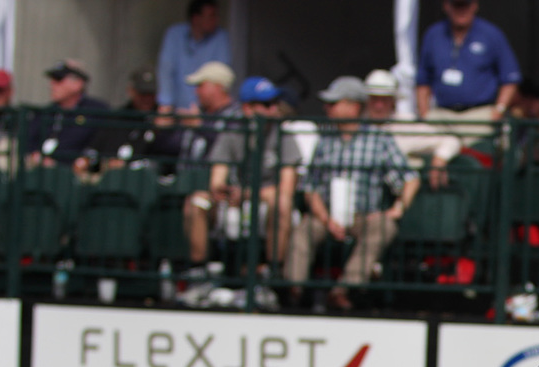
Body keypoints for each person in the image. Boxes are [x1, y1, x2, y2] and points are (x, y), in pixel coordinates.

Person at [285, 76, 420, 311]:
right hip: (326, 217)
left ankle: (343, 291)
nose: (327, 108)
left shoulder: (379, 140)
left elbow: (410, 179)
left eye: (334, 103)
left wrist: (396, 209)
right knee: (304, 229)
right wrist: (326, 219)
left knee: (385, 227)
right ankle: (293, 291)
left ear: (353, 107)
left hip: (364, 216)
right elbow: (310, 188)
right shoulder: (325, 141)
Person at [184, 76, 300, 272]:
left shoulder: (284, 135)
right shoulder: (233, 132)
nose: (273, 109)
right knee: (196, 202)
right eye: (266, 104)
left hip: (266, 200)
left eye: (274, 103)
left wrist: (246, 193)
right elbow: (217, 180)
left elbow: (286, 190)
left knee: (281, 203)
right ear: (247, 108)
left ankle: (273, 272)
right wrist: (223, 192)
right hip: (233, 199)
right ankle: (198, 272)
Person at [416, 0, 522, 137]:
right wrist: (425, 114)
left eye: (465, 5)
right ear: (446, 6)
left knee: (478, 153)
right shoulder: (433, 35)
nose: (461, 11)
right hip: (442, 115)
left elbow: (510, 78)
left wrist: (498, 110)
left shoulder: (491, 34)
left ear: (475, 5)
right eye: (457, 5)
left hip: (479, 115)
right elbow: (422, 80)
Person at [364, 69, 463, 188]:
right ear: (367, 101)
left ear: (393, 101)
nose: (379, 105)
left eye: (384, 99)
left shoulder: (406, 124)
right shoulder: (355, 126)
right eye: (374, 99)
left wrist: (440, 158)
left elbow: (451, 141)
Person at [25, 60, 109, 169]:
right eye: (52, 80)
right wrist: (35, 155)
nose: (52, 84)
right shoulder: (45, 113)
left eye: (58, 80)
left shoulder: (97, 112)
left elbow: (99, 147)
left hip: (76, 176)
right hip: (40, 173)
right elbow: (28, 141)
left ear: (78, 84)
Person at [92, 68, 180, 169]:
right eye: (142, 94)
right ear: (131, 91)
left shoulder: (164, 119)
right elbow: (97, 148)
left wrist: (159, 132)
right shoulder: (118, 117)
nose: (147, 99)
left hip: (147, 179)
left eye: (150, 94)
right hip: (113, 178)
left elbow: (169, 159)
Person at [156, 0, 233, 114]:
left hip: (206, 112)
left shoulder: (220, 37)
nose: (216, 20)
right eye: (211, 16)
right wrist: (166, 104)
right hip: (175, 110)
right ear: (196, 18)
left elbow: (219, 75)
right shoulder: (174, 34)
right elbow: (166, 70)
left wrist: (200, 111)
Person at [174, 61, 240, 169]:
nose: (196, 92)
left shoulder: (236, 115)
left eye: (201, 86)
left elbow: (230, 145)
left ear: (218, 87)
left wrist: (200, 126)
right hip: (188, 180)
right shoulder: (199, 112)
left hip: (216, 182)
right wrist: (169, 125)